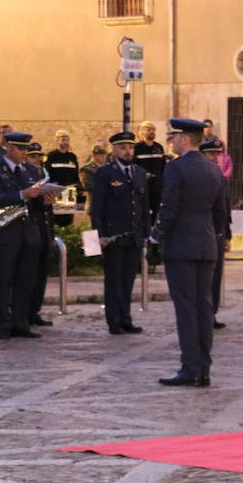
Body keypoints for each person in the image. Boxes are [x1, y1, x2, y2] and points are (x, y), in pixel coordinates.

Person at [150, 118, 227, 386]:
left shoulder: (176, 168)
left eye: (173, 137)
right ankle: (203, 368)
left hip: (181, 246)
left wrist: (155, 237)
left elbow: (168, 208)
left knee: (186, 309)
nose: (171, 142)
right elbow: (220, 214)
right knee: (203, 308)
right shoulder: (212, 168)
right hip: (206, 245)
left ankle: (190, 367)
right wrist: (212, 236)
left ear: (184, 138)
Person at [0, 132, 47, 340]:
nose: (24, 153)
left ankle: (21, 322)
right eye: (20, 149)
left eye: (26, 149)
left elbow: (36, 205)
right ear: (9, 148)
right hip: (6, 232)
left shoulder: (30, 170)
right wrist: (23, 194)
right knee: (5, 280)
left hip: (28, 232)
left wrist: (46, 199)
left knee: (25, 280)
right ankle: (3, 325)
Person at [89, 131, 149, 335]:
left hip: (133, 235)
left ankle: (126, 318)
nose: (127, 151)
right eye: (123, 147)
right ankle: (113, 321)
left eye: (130, 147)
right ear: (113, 149)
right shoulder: (105, 173)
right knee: (114, 279)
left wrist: (146, 233)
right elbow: (97, 207)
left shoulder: (139, 172)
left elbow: (144, 205)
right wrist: (100, 235)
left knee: (128, 279)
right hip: (113, 236)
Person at [201, 139, 233, 329]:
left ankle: (211, 314)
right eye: (211, 154)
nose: (215, 158)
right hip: (203, 232)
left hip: (218, 233)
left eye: (217, 154)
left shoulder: (221, 178)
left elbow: (225, 208)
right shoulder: (198, 177)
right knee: (204, 277)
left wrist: (227, 234)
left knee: (216, 277)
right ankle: (203, 315)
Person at [24, 143, 56, 328]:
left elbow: (47, 211)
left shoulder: (44, 177)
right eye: (33, 156)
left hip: (44, 230)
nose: (37, 160)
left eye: (39, 157)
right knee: (29, 273)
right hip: (31, 230)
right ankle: (25, 311)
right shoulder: (25, 179)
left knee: (41, 273)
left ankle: (35, 310)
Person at [133, 121, 167, 228]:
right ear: (141, 132)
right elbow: (134, 167)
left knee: (157, 211)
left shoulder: (159, 147)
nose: (152, 132)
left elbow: (163, 167)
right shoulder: (137, 148)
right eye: (149, 129)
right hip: (143, 186)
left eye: (153, 130)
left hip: (157, 187)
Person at [45, 131, 80, 227]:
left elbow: (76, 174)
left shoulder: (72, 157)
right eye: (63, 140)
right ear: (57, 141)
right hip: (56, 191)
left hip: (69, 191)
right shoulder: (51, 156)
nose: (66, 142)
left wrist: (78, 186)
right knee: (56, 217)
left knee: (68, 217)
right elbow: (47, 174)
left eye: (67, 140)